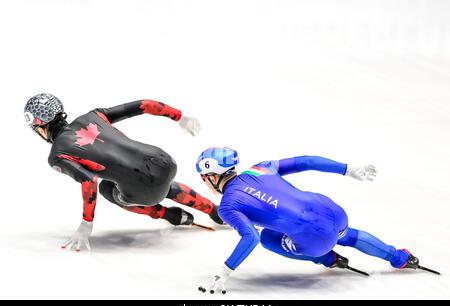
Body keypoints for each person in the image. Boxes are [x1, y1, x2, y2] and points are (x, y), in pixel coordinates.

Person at [195, 147, 436, 294]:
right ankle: (400, 258)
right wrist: (347, 169)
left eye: (204, 177)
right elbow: (306, 161)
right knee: (347, 235)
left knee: (268, 237)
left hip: (315, 239)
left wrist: (225, 271)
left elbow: (251, 238)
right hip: (331, 210)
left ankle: (327, 258)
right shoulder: (260, 168)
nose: (204, 182)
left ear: (213, 176)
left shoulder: (228, 206)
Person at [24, 93, 223, 252]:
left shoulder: (58, 154)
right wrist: (181, 117)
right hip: (164, 159)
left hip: (143, 188)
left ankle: (168, 214)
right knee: (162, 186)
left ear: (40, 127)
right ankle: (215, 210)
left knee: (107, 189)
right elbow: (144, 104)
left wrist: (86, 223)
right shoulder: (93, 115)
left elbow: (89, 181)